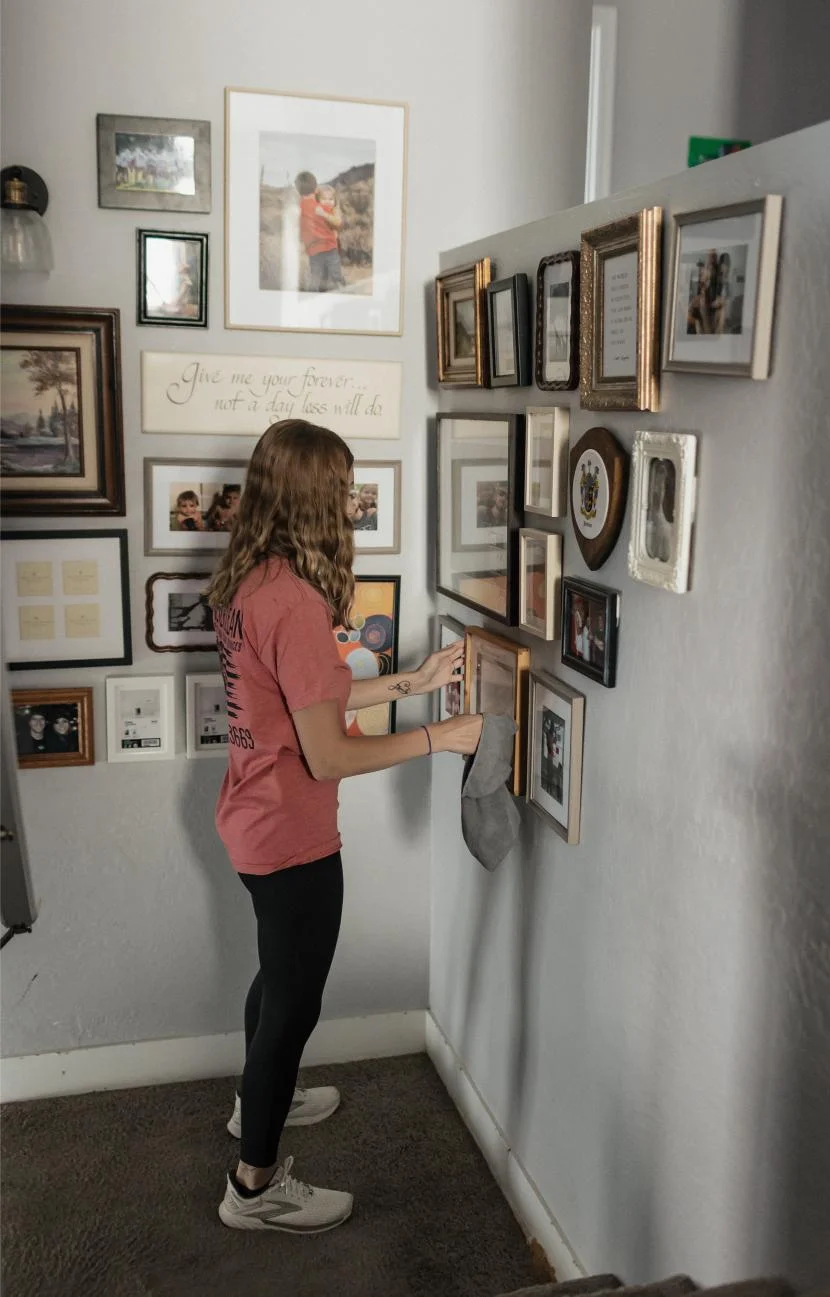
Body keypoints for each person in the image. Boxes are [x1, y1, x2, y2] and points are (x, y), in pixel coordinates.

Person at [207, 418, 483, 1236]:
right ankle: (253, 1185)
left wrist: (414, 679)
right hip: (290, 834)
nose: (351, 505)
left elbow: (305, 700)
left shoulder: (252, 579)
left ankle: (264, 1099)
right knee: (293, 1000)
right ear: (310, 497)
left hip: (249, 820)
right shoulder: (291, 598)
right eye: (342, 489)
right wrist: (441, 735)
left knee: (275, 977)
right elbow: (325, 754)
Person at [295, 170, 345, 292]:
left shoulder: (299, 207)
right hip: (329, 248)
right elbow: (339, 223)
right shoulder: (323, 208)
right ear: (316, 189)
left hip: (313, 251)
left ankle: (312, 299)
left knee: (316, 278)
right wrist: (334, 210)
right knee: (335, 275)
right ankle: (343, 292)